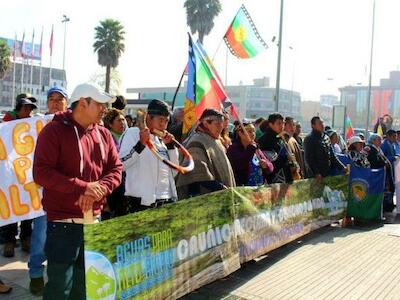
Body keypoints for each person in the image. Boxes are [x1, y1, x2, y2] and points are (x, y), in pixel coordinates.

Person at [33, 82, 123, 300]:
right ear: (83, 103)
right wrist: (83, 188)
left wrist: (98, 190)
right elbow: (41, 173)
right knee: (59, 288)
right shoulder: (52, 131)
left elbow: (117, 169)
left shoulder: (103, 134)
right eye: (100, 104)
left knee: (85, 288)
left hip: (94, 223)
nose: (104, 109)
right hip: (63, 225)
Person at [29, 86, 68, 296]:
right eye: (51, 99)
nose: (55, 103)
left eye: (59, 99)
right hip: (39, 191)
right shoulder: (33, 126)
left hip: (65, 193)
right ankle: (35, 273)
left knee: (61, 239)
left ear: (67, 102)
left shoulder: (73, 125)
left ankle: (57, 275)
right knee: (41, 234)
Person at [119, 100, 178, 212]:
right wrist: (140, 144)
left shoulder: (162, 141)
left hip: (166, 201)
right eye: (160, 120)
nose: (163, 125)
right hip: (142, 203)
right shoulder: (133, 133)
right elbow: (121, 164)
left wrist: (171, 148)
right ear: (149, 117)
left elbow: (174, 171)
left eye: (166, 121)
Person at [2, 94, 38, 258]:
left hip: (26, 173)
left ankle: (26, 239)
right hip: (10, 174)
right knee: (11, 206)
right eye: (26, 108)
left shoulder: (32, 124)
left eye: (30, 109)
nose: (29, 112)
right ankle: (9, 242)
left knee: (27, 207)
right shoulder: (7, 123)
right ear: (19, 109)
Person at [176, 109, 236, 199]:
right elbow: (197, 174)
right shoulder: (197, 141)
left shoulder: (217, 141)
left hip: (222, 195)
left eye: (221, 124)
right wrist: (220, 188)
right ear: (206, 123)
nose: (220, 127)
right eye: (217, 124)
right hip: (205, 198)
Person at [304, 116, 346, 183]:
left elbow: (332, 156)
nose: (322, 125)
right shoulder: (309, 139)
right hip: (315, 177)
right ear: (313, 126)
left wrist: (342, 167)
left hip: (327, 174)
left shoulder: (326, 137)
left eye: (322, 123)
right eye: (320, 123)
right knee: (316, 193)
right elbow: (309, 159)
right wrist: (317, 173)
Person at [102, 108, 127, 219]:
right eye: (118, 120)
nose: (122, 123)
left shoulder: (127, 137)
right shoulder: (107, 138)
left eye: (123, 120)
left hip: (123, 185)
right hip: (111, 186)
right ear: (110, 124)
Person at [258, 113, 293, 184]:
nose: (282, 126)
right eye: (279, 123)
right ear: (271, 124)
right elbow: (268, 164)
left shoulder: (280, 138)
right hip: (273, 180)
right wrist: (283, 156)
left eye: (283, 123)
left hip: (284, 178)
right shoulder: (265, 140)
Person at [365, 134, 394, 212]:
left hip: (383, 175)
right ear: (373, 141)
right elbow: (375, 161)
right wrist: (384, 163)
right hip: (376, 175)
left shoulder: (378, 149)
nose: (380, 142)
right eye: (378, 140)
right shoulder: (370, 149)